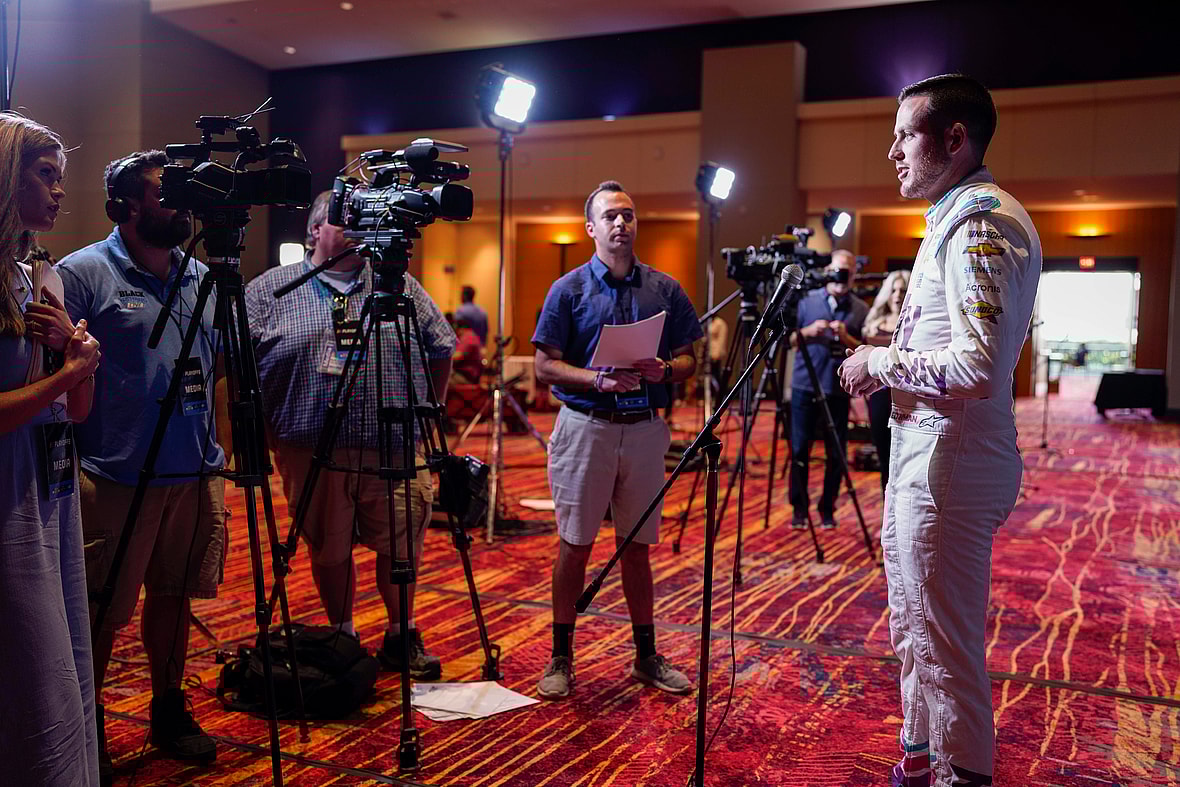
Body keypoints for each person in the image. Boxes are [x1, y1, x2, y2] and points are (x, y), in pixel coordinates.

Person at [839, 74, 1042, 787]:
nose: (892, 151)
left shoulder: (981, 222)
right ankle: (920, 757)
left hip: (950, 463)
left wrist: (878, 361)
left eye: (905, 135)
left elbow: (978, 367)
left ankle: (961, 775)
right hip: (925, 452)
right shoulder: (951, 217)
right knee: (912, 626)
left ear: (954, 139)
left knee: (946, 643)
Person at [58, 150, 228, 773]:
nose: (181, 204)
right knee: (99, 611)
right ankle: (88, 725)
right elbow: (59, 376)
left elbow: (217, 371)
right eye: (166, 192)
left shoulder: (201, 276)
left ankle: (168, 707)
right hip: (114, 475)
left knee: (176, 596)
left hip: (194, 471)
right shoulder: (83, 274)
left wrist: (222, 451)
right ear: (126, 206)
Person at [245, 190, 456, 679]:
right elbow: (239, 366)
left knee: (400, 545)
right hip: (309, 446)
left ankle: (402, 635)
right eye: (347, 220)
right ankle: (343, 636)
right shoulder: (271, 289)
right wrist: (264, 433)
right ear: (315, 231)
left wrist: (432, 415)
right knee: (329, 547)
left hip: (394, 443)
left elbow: (441, 345)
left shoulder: (396, 284)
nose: (359, 230)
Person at [532, 180, 703, 699]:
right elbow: (544, 366)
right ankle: (561, 656)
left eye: (627, 214)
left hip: (646, 428)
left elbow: (691, 361)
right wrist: (595, 379)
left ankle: (645, 656)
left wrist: (665, 370)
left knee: (637, 547)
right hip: (586, 426)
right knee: (575, 544)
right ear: (591, 228)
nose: (620, 223)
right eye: (609, 216)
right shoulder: (567, 290)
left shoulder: (665, 289)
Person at [0, 112, 102, 786]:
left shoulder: (43, 278)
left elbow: (75, 413)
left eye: (62, 177)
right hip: (7, 500)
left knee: (62, 665)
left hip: (50, 492)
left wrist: (78, 358)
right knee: (32, 673)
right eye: (46, 175)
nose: (60, 191)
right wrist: (69, 373)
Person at [786, 249, 868, 530]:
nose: (841, 277)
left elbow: (866, 350)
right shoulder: (806, 301)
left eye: (848, 272)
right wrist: (808, 332)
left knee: (836, 452)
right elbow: (788, 341)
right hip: (805, 385)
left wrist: (846, 337)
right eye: (837, 270)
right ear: (827, 271)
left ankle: (827, 509)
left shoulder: (860, 309)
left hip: (838, 388)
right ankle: (799, 509)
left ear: (854, 275)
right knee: (800, 449)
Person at [862, 269, 911, 493]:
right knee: (884, 453)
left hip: (907, 394)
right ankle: (886, 502)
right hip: (880, 395)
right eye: (894, 290)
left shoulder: (914, 324)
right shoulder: (875, 323)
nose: (897, 295)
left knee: (905, 458)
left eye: (903, 290)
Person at [450, 315, 485, 385]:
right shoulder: (472, 335)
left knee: (438, 380)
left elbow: (457, 356)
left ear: (460, 329)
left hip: (466, 377)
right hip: (469, 375)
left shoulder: (468, 337)